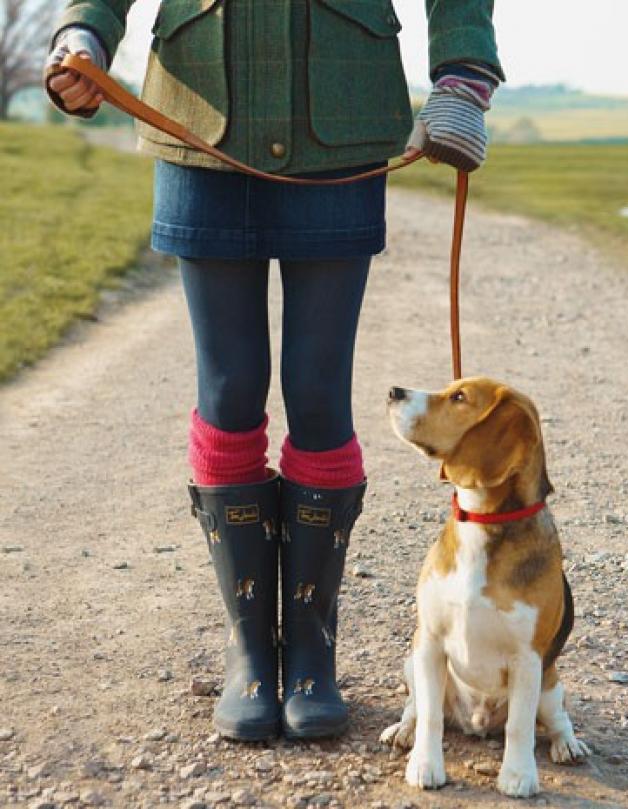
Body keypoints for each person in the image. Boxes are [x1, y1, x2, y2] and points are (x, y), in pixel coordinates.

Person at [44, 0, 503, 742]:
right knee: (227, 392)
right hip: (196, 113)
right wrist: (83, 33)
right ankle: (251, 651)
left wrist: (463, 71)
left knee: (319, 393)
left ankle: (313, 655)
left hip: (343, 114)